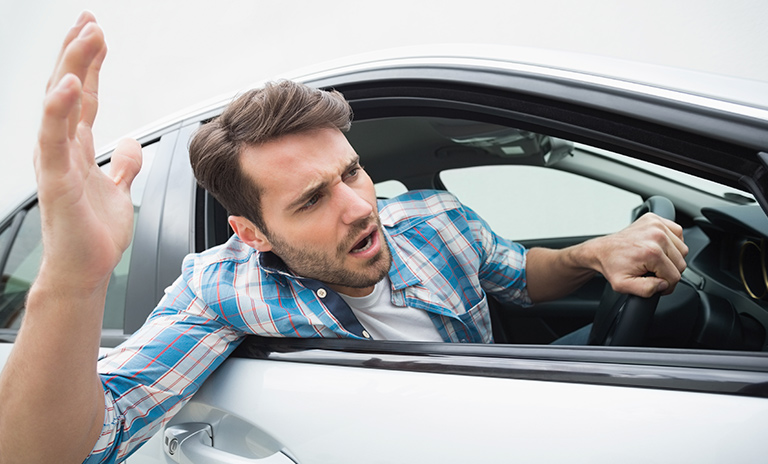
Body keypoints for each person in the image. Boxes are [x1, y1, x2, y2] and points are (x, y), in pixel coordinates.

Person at [0, 12, 688, 464]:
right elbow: (72, 445)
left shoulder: (433, 220)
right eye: (311, 199)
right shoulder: (223, 287)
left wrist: (595, 252)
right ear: (252, 233)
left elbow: (517, 274)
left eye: (352, 172)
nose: (361, 208)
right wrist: (73, 273)